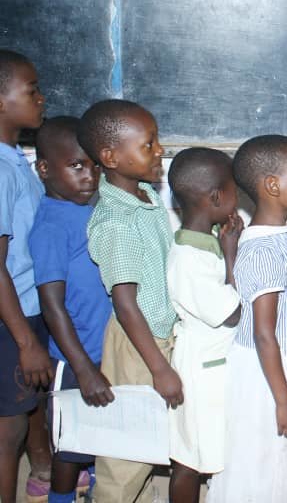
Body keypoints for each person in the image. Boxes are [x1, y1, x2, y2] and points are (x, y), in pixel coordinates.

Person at [78, 99, 182, 502]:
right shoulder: (116, 222)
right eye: (148, 144)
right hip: (139, 343)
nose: (159, 150)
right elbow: (125, 304)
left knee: (150, 444)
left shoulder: (145, 195)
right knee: (126, 455)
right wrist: (160, 368)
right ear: (111, 158)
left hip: (156, 334)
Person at [206, 135, 287, 502]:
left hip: (285, 358)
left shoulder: (283, 233)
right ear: (273, 186)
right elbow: (264, 334)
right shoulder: (264, 251)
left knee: (284, 457)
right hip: (266, 369)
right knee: (261, 457)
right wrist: (283, 400)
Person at [29, 117, 113, 503]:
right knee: (70, 445)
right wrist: (82, 368)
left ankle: (95, 488)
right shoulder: (51, 226)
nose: (89, 176)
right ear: (45, 169)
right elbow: (52, 306)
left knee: (100, 432)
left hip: (102, 347)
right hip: (76, 358)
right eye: (76, 166)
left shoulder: (88, 209)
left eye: (94, 165)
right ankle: (60, 497)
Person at [165, 148, 243, 503]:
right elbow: (233, 313)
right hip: (200, 373)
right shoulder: (189, 259)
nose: (238, 198)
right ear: (216, 198)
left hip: (212, 366)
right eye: (234, 190)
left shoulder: (203, 242)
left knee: (210, 449)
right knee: (190, 458)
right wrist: (231, 254)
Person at [0, 50, 54, 503]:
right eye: (32, 90)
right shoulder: (0, 171)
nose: (41, 99)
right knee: (8, 429)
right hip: (10, 318)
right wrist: (25, 341)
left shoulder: (16, 160)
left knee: (31, 403)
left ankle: (43, 470)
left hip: (26, 309)